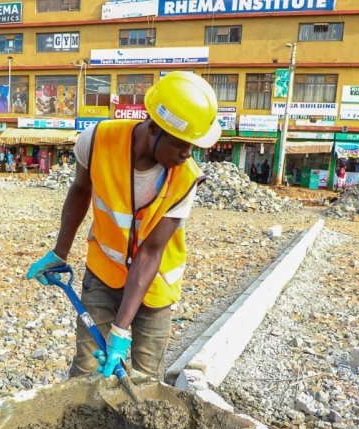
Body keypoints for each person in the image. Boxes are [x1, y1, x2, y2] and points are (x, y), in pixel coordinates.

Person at [26, 71, 221, 379]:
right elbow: (80, 189)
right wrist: (60, 253)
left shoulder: (186, 178)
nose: (188, 154)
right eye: (182, 145)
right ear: (155, 128)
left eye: (193, 147)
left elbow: (151, 253)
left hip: (154, 286)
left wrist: (121, 328)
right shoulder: (98, 139)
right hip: (103, 273)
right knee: (87, 366)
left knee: (145, 378)